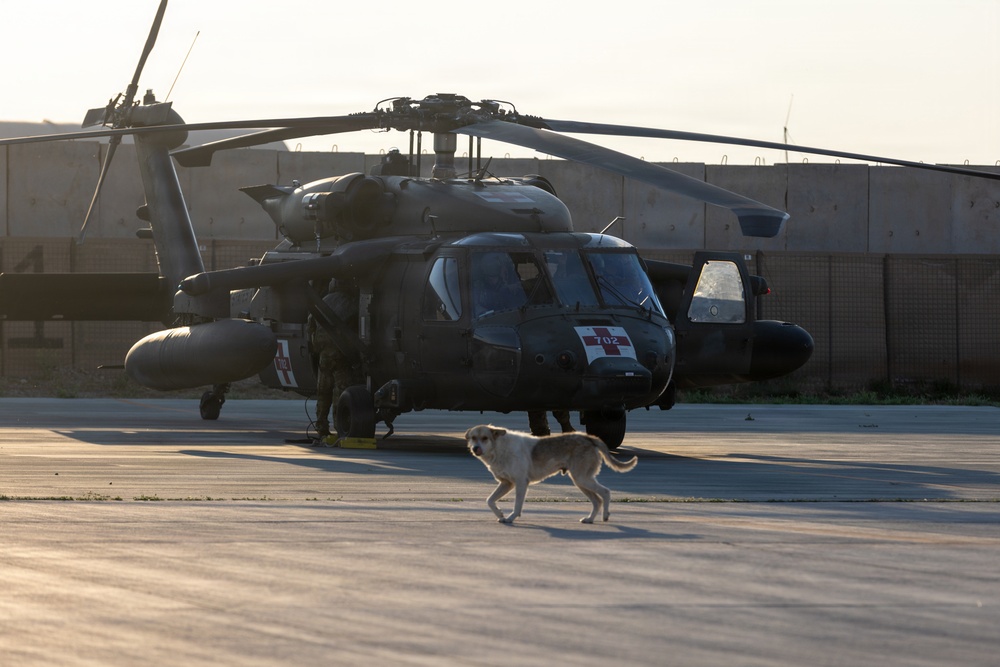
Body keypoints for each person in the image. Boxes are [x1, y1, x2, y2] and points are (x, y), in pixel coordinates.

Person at [308, 284, 361, 439]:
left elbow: (310, 324)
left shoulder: (324, 300)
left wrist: (316, 344)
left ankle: (321, 425)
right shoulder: (350, 302)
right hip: (340, 354)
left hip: (324, 354)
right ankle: (340, 426)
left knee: (323, 391)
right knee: (341, 390)